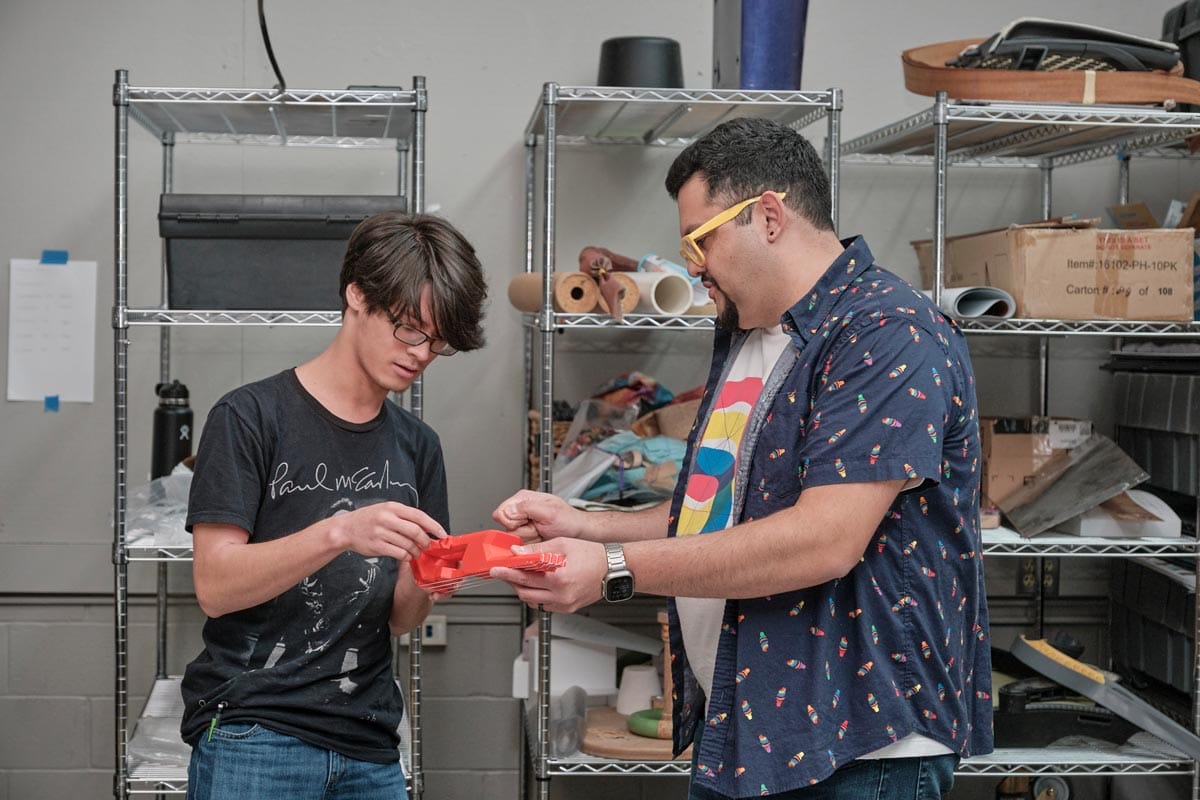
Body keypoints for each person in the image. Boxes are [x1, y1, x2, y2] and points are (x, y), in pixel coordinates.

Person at [491, 117, 992, 800]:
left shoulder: (885, 332)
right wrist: (586, 526)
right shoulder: (752, 335)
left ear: (768, 215)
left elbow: (822, 540)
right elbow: (723, 510)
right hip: (752, 729)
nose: (691, 264)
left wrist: (611, 571)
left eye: (700, 238)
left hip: (858, 751)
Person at [179, 211, 488, 800]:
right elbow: (216, 586)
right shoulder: (249, 417)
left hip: (369, 746)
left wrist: (433, 577)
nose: (421, 354)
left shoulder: (418, 445)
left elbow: (400, 618)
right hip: (254, 734)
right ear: (356, 295)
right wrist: (340, 531)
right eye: (408, 329)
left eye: (438, 342)